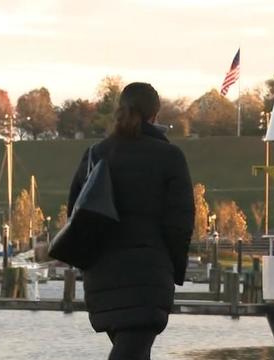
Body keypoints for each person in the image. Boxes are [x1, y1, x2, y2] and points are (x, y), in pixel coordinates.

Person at [67, 82, 195, 360]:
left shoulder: (95, 155)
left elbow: (75, 215)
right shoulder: (169, 157)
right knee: (133, 350)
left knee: (133, 349)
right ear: (155, 115)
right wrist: (173, 269)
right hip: (149, 273)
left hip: (101, 275)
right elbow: (180, 222)